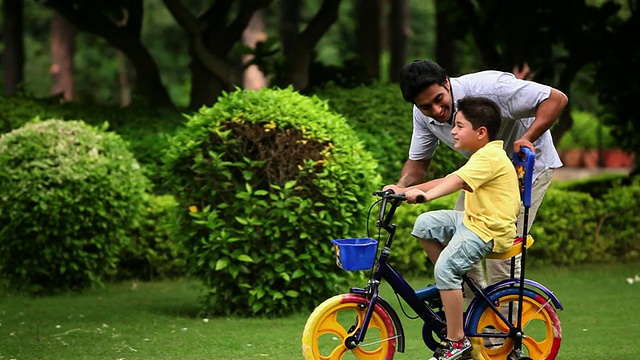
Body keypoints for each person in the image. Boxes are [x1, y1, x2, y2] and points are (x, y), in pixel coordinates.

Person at [388, 59, 568, 291]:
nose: (435, 111)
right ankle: (476, 313)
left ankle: (502, 322)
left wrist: (527, 138)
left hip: (524, 168)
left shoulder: (491, 88)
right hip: (481, 172)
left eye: (438, 100)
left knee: (501, 256)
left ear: (446, 83)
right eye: (425, 107)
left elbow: (556, 99)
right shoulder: (422, 114)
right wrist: (400, 187)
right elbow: (419, 163)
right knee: (457, 240)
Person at [396, 96, 521, 360]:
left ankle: (457, 342)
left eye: (459, 125)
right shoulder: (483, 155)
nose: (452, 130)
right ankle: (449, 282)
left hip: (489, 230)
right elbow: (450, 178)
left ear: (481, 132)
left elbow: (454, 182)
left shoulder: (490, 157)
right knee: (424, 224)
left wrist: (425, 196)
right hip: (472, 220)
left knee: (445, 268)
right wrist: (405, 190)